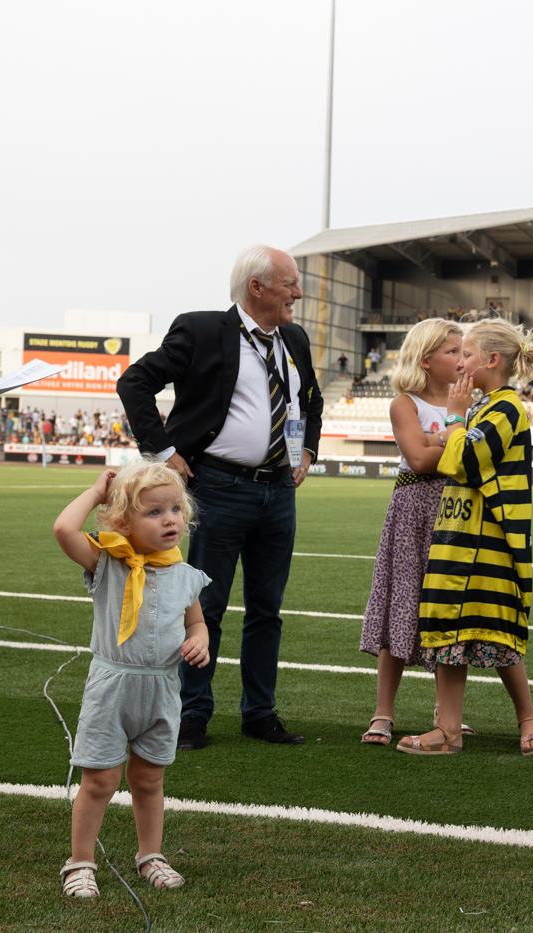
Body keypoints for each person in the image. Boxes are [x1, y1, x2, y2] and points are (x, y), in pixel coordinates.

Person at [117, 245, 322, 750]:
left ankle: (259, 712)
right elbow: (135, 381)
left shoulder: (293, 338)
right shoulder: (203, 329)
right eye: (290, 283)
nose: (299, 292)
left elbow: (309, 399)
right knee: (203, 608)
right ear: (258, 288)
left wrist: (309, 451)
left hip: (278, 491)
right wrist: (163, 451)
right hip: (218, 488)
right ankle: (192, 714)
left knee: (266, 609)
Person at [53, 463, 211, 897]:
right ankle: (80, 862)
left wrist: (200, 640)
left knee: (149, 780)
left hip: (162, 690)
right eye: (154, 511)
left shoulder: (185, 575)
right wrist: (97, 491)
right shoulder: (108, 561)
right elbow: (65, 529)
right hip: (113, 688)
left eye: (176, 508)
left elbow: (196, 623)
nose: (170, 519)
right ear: (122, 520)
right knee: (100, 781)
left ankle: (150, 855)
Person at [400, 320, 533, 756]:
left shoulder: (507, 409)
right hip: (455, 536)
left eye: (465, 354)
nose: (460, 363)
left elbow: (462, 459)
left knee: (498, 629)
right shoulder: (480, 408)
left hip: (491, 544)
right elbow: (450, 449)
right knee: (449, 630)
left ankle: (529, 718)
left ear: (491, 360)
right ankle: (447, 729)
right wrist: (454, 424)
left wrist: (451, 420)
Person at [359, 320, 464, 745]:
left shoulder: (470, 404)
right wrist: (451, 440)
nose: (463, 359)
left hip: (457, 510)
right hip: (413, 509)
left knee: (446, 608)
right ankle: (383, 713)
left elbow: (462, 454)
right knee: (400, 604)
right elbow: (418, 460)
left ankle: (448, 716)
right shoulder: (405, 403)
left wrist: (436, 438)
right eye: (453, 352)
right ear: (426, 360)